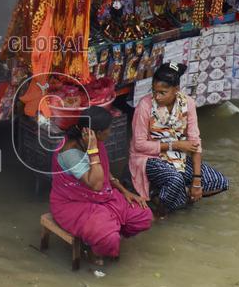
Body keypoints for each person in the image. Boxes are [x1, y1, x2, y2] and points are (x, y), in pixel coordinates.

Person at [49, 106, 153, 263]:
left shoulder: (93, 141)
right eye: (108, 130)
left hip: (103, 196)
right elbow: (96, 184)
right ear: (96, 133)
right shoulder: (69, 153)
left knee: (143, 215)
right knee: (108, 238)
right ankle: (97, 250)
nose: (110, 133)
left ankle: (107, 234)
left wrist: (124, 191)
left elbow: (104, 172)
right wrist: (92, 151)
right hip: (73, 204)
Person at [129, 62, 229, 216]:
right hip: (149, 157)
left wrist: (196, 180)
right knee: (175, 179)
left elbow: (195, 142)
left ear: (176, 90)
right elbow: (139, 145)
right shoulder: (145, 105)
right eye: (155, 91)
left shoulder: (188, 104)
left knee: (219, 181)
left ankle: (176, 197)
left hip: (178, 158)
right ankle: (160, 213)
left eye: (163, 92)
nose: (157, 96)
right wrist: (174, 145)